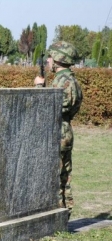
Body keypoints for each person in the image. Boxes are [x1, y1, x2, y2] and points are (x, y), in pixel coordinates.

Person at [34, 41, 83, 218]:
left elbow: (48, 108)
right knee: (64, 176)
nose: (48, 61)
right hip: (66, 130)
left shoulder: (62, 81)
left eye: (50, 57)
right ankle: (65, 212)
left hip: (56, 133)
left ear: (57, 59)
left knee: (54, 176)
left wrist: (39, 86)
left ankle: (56, 216)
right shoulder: (72, 80)